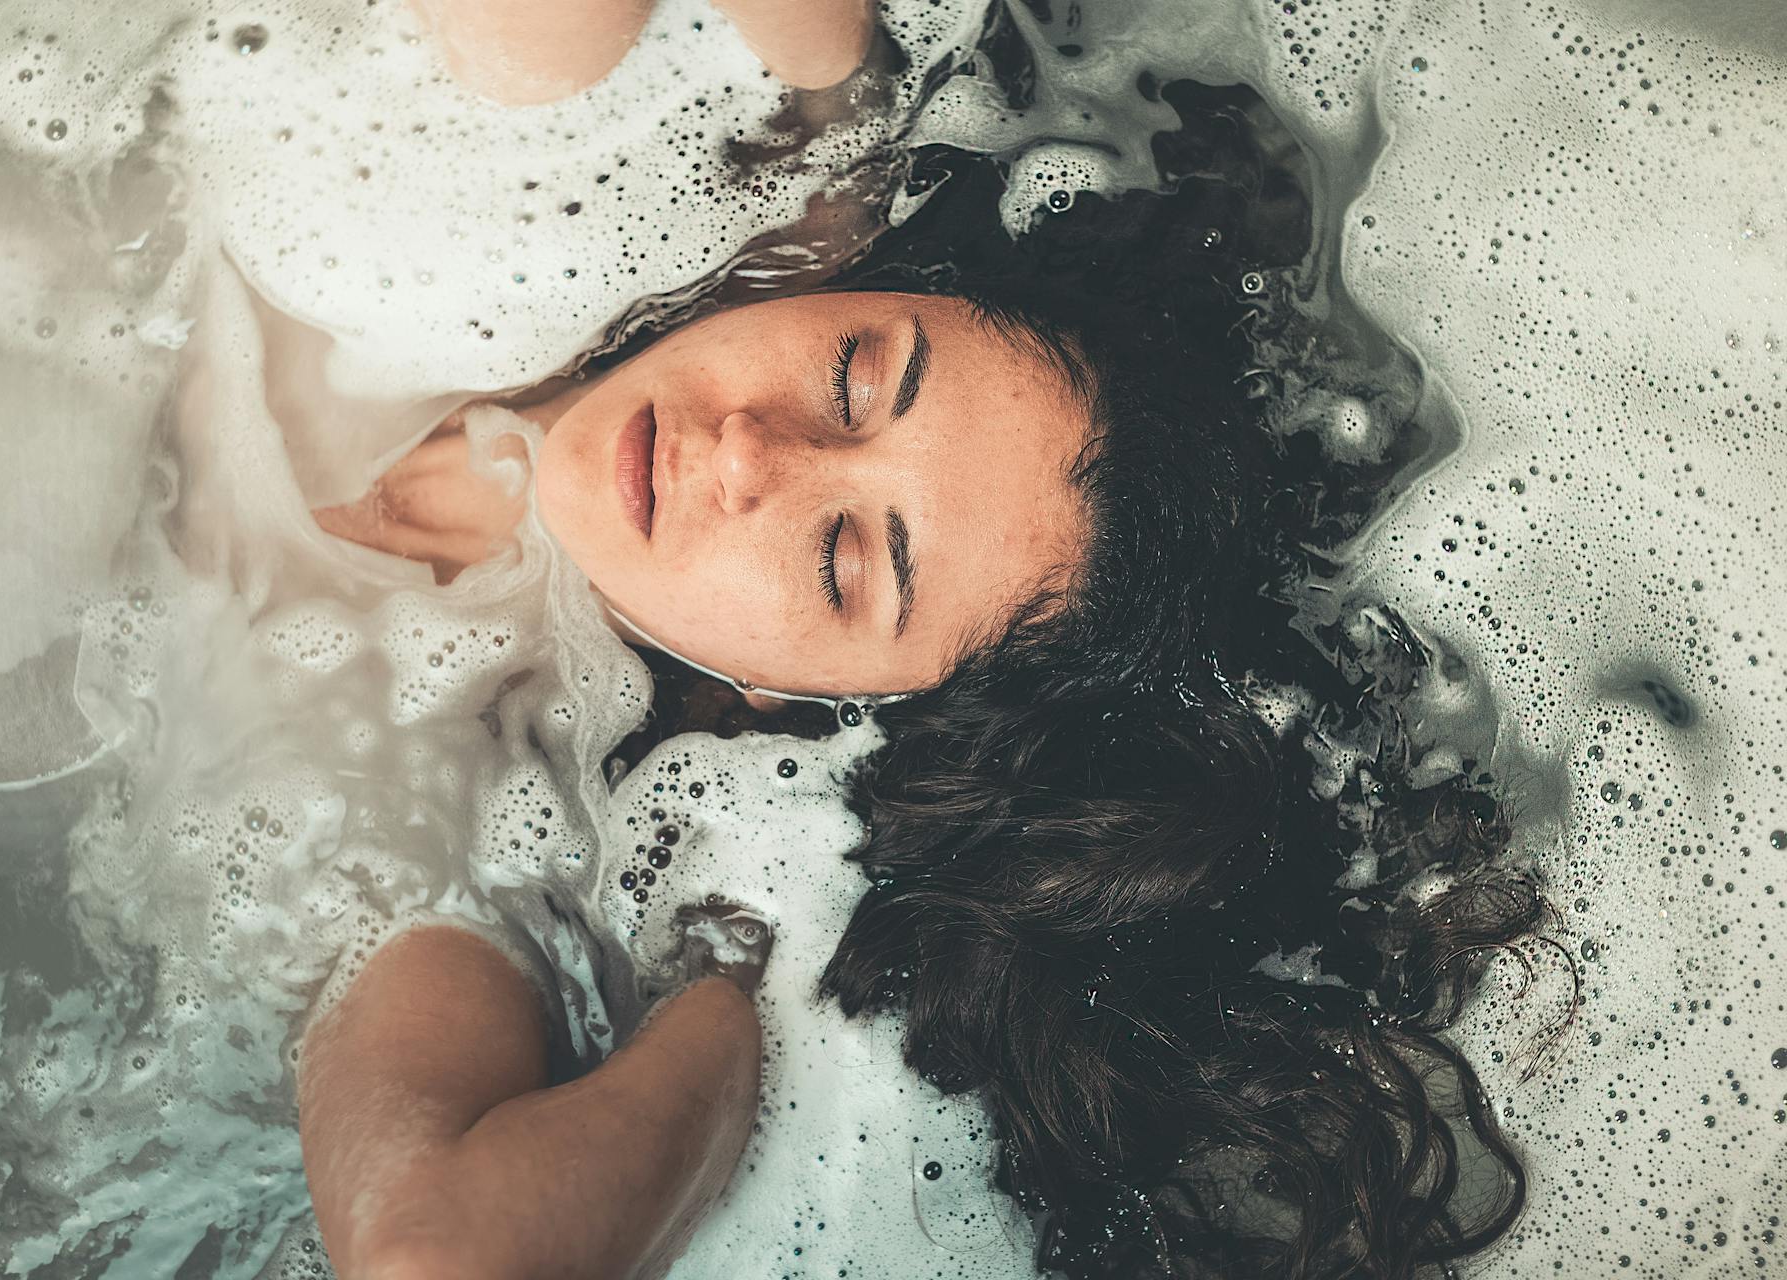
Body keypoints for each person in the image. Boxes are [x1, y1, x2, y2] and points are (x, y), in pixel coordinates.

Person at [297, 12, 1557, 1280]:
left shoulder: (449, 794)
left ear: (802, 696)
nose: (749, 454)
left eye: (846, 563)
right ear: (873, 282)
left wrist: (727, 1024)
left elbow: (439, 1249)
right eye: (855, 375)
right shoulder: (738, 164)